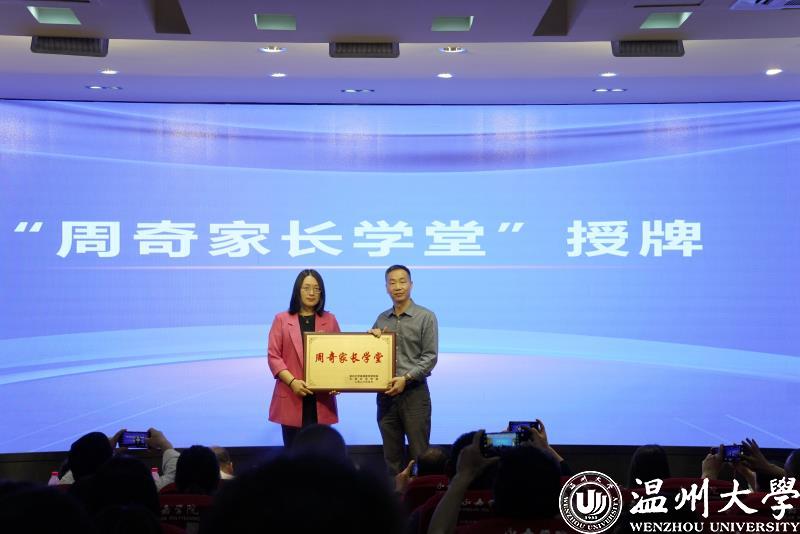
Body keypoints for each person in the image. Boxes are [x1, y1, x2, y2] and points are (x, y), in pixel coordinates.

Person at [370, 264, 438, 475]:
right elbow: (371, 356)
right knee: (392, 458)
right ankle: (396, 495)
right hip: (386, 396)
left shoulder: (426, 316)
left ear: (411, 284)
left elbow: (430, 357)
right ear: (386, 288)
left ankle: (421, 495)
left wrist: (406, 378)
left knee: (420, 455)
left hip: (414, 394)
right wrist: (371, 340)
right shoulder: (382, 319)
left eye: (402, 281)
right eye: (392, 282)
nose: (397, 287)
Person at [268, 269, 341, 447]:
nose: (311, 293)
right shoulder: (281, 319)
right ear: (297, 291)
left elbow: (340, 356)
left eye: (316, 288)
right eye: (306, 288)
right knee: (294, 455)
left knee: (321, 454)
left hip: (322, 399)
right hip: (291, 395)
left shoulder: (330, 320)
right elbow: (273, 356)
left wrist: (338, 381)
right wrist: (293, 382)